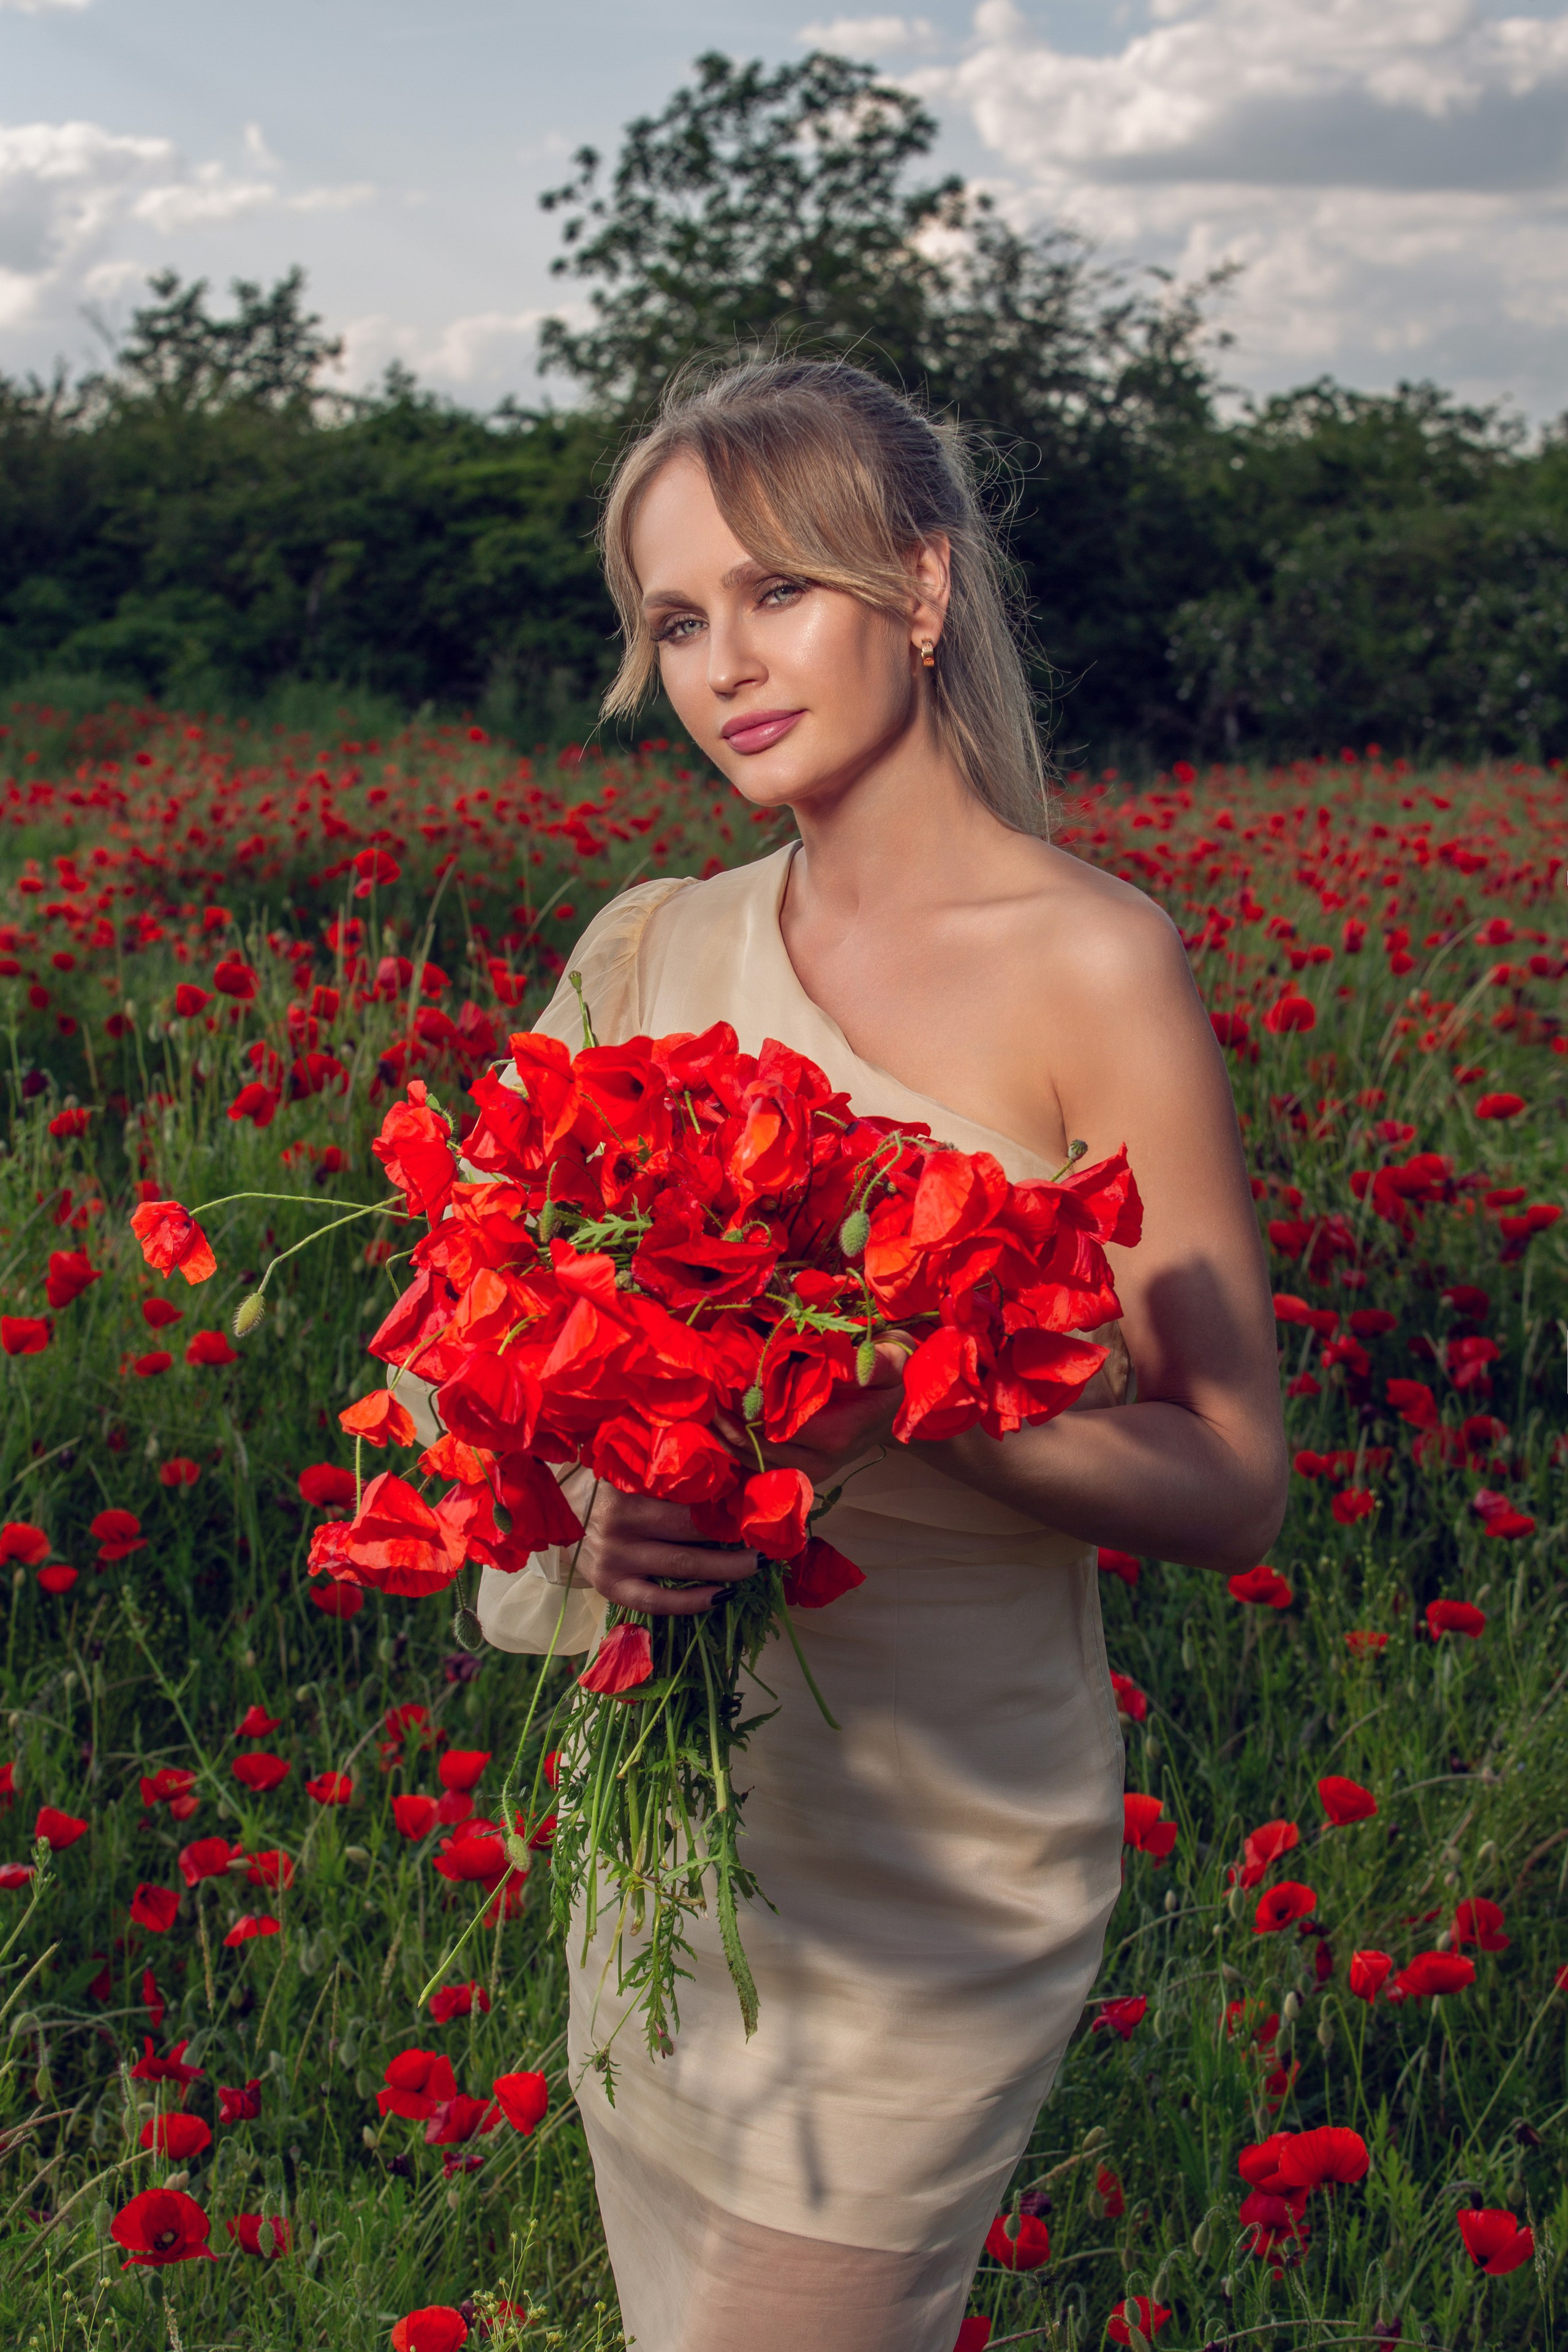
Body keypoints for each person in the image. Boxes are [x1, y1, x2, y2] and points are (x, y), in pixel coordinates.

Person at [473, 356, 1287, 2352]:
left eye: (778, 594)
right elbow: (483, 1356)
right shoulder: (646, 949)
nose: (725, 666)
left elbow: (1230, 1475)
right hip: (678, 1833)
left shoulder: (1092, 961)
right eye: (676, 622)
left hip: (935, 1861)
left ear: (917, 592)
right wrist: (599, 1522)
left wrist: (907, 1397)